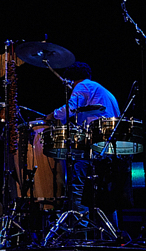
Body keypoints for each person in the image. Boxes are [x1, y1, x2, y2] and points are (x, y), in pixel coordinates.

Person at [44, 62, 124, 216]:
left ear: (72, 80)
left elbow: (70, 108)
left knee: (78, 187)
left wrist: (52, 116)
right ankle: (112, 233)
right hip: (110, 148)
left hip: (94, 144)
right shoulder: (105, 92)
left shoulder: (83, 86)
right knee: (103, 195)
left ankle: (81, 232)